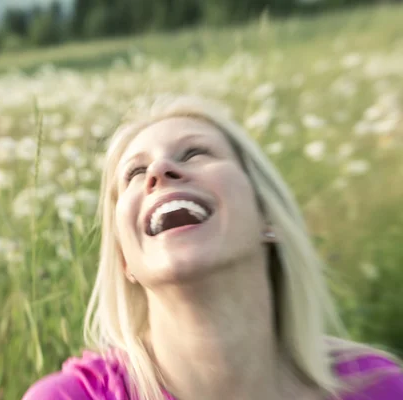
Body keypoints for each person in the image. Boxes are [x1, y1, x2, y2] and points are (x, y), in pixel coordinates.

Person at [22, 95, 403, 400]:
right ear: (124, 258)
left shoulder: (381, 387)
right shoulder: (69, 398)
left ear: (267, 214)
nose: (160, 171)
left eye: (194, 153)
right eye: (136, 174)